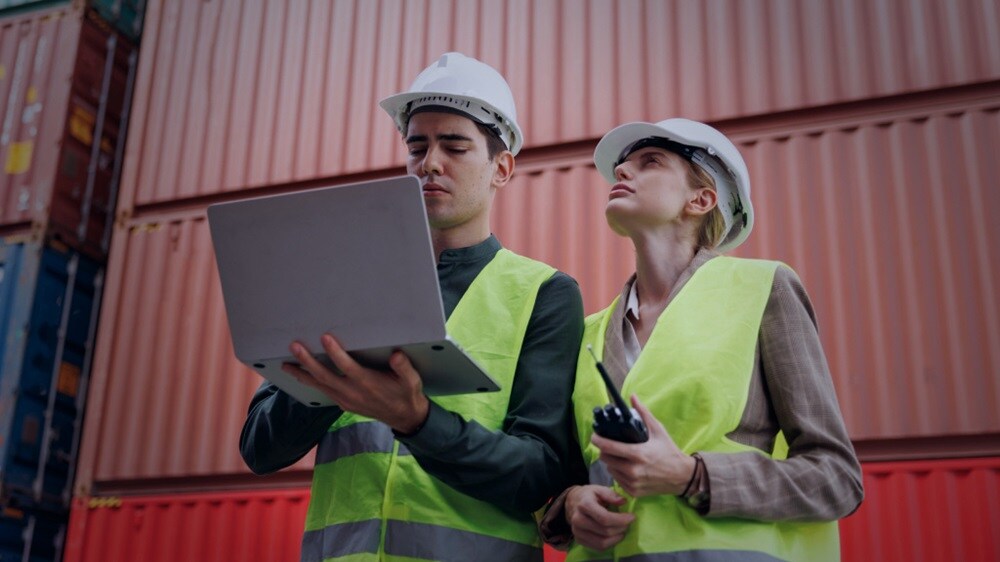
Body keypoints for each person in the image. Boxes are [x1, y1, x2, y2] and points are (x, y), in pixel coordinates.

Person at [239, 52, 585, 562]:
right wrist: (337, 370)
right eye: (417, 147)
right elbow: (259, 448)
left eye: (455, 146)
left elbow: (541, 474)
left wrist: (418, 421)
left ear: (501, 168)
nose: (430, 163)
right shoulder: (344, 286)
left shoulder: (545, 293)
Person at [540, 118, 864, 561]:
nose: (622, 171)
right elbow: (565, 475)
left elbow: (837, 479)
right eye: (622, 166)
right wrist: (572, 502)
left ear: (701, 199)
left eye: (650, 161)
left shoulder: (762, 289)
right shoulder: (588, 333)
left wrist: (691, 476)